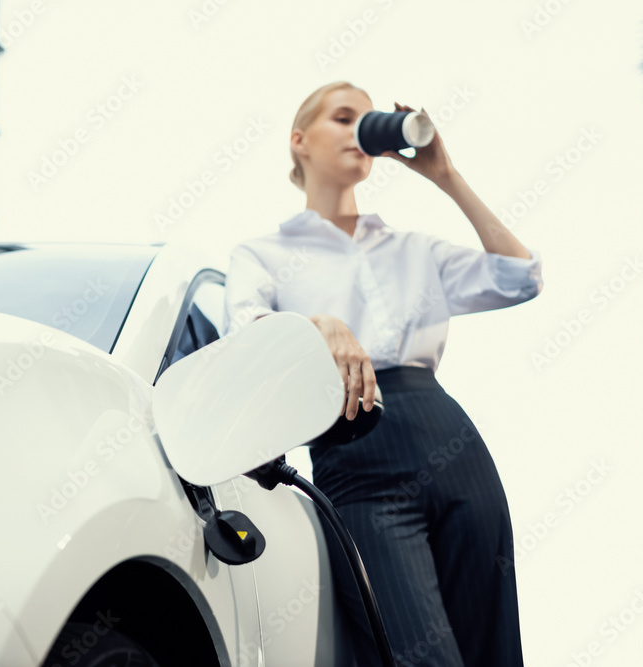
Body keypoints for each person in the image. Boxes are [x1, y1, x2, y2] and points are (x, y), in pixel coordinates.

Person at [223, 81, 542, 666]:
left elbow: (520, 278)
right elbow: (245, 332)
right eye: (343, 118)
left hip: (450, 438)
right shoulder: (262, 255)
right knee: (419, 656)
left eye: (366, 120)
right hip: (354, 447)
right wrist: (315, 325)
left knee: (493, 648)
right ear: (300, 141)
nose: (358, 130)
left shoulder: (412, 249)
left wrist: (445, 175)